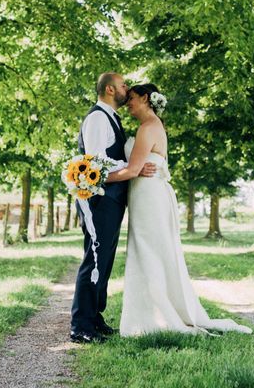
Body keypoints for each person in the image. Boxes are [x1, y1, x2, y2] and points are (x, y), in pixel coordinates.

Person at [107, 84, 252, 336]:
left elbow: (131, 170)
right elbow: (137, 168)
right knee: (152, 252)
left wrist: (94, 177)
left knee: (148, 252)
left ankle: (153, 317)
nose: (127, 103)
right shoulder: (154, 126)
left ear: (145, 98)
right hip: (148, 195)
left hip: (148, 197)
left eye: (131, 98)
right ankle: (154, 312)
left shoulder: (148, 128)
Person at [70, 72, 156, 344]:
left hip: (110, 199)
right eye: (122, 86)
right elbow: (95, 163)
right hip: (97, 200)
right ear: (109, 89)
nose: (126, 89)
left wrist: (133, 170)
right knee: (94, 258)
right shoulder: (97, 117)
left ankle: (95, 317)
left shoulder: (111, 118)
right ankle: (80, 326)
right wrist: (133, 170)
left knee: (104, 260)